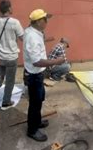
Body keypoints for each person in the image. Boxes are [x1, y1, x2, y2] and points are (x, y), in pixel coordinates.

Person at [23, 9, 65, 142]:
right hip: (34, 75)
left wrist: (47, 39)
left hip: (38, 74)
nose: (47, 22)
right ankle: (32, 130)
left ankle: (37, 121)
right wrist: (56, 61)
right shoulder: (32, 36)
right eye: (45, 19)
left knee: (39, 99)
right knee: (34, 104)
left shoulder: (35, 31)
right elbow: (37, 61)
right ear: (39, 21)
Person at [0, 0, 24, 110]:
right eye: (11, 7)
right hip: (11, 56)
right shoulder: (15, 22)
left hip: (1, 55)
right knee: (10, 80)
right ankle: (6, 101)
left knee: (1, 73)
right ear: (8, 9)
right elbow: (22, 38)